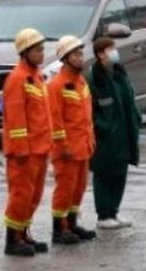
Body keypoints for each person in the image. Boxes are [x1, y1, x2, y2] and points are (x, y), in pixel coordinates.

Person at [0, 28, 52, 257]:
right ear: (25, 52)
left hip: (40, 148)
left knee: (34, 194)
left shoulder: (36, 76)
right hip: (25, 151)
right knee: (21, 194)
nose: (42, 54)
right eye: (38, 50)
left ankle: (23, 233)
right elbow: (15, 117)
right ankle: (13, 239)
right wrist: (21, 149)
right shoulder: (17, 79)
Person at [88, 36, 141, 231]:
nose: (114, 52)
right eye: (109, 49)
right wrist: (103, 127)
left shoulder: (120, 73)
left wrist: (136, 118)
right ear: (100, 54)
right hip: (106, 136)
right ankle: (103, 214)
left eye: (113, 48)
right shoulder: (94, 79)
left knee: (120, 173)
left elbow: (130, 99)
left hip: (124, 132)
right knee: (104, 174)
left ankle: (113, 211)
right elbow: (91, 111)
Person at [48, 35, 96, 246]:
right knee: (65, 189)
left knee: (78, 188)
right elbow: (55, 121)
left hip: (83, 146)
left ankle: (72, 223)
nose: (81, 58)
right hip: (66, 150)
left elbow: (86, 115)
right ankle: (59, 230)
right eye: (76, 55)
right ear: (65, 58)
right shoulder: (57, 85)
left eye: (81, 54)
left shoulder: (81, 81)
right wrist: (62, 146)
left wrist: (91, 139)